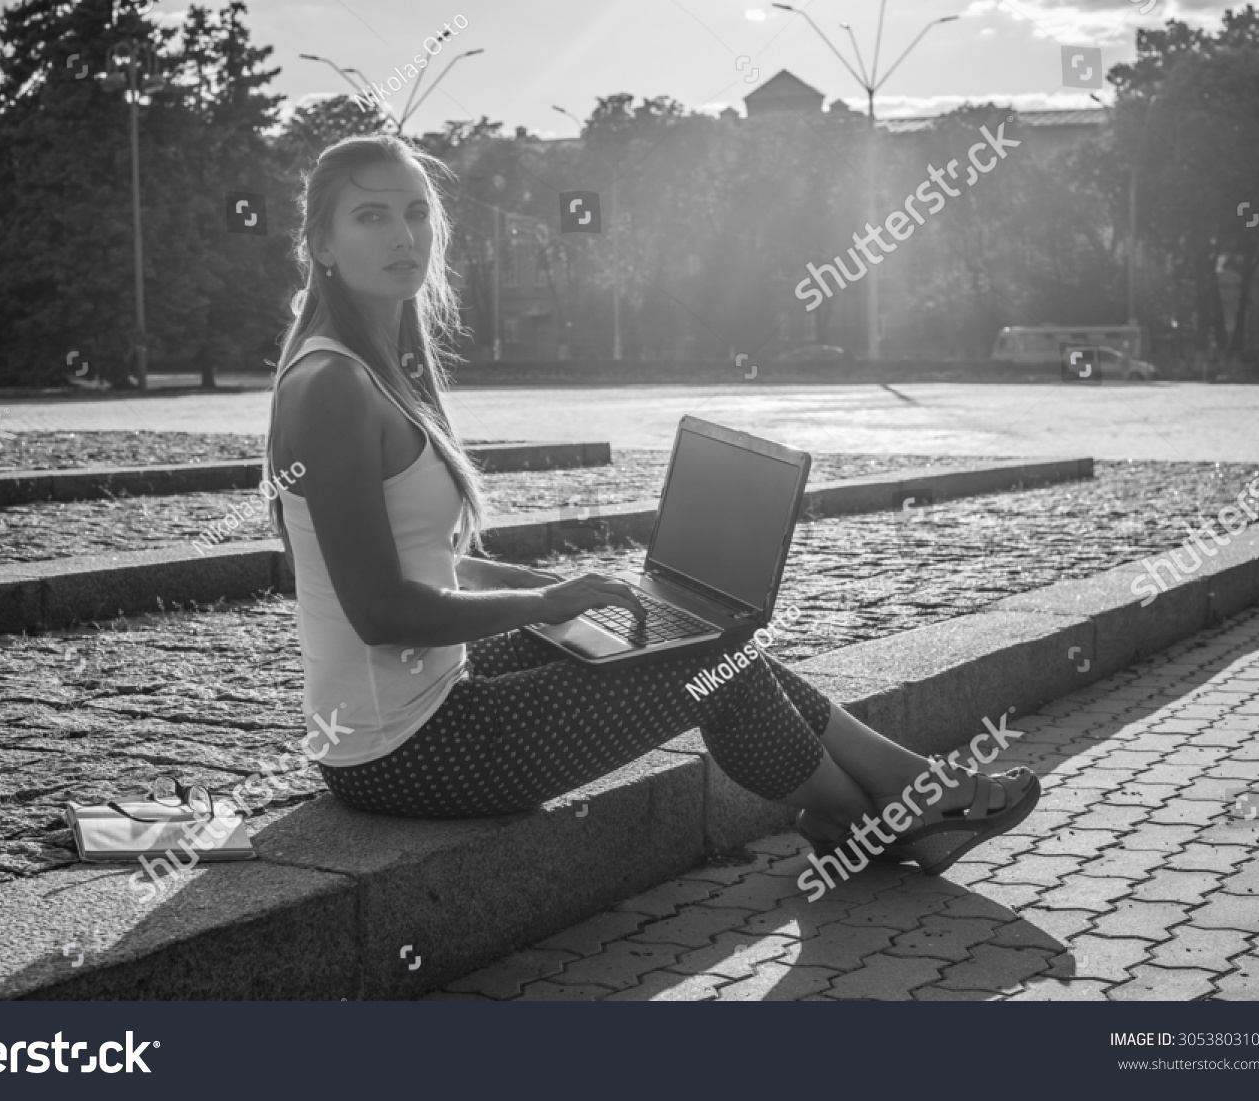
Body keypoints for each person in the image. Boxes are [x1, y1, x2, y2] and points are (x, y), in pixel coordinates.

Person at [262, 134, 1040, 878]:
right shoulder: (331, 386)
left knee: (701, 635)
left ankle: (897, 795)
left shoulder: (380, 369)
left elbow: (418, 555)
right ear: (322, 246)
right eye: (371, 216)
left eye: (417, 211)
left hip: (425, 703)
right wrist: (545, 599)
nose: (405, 234)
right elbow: (379, 609)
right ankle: (878, 819)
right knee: (707, 659)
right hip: (402, 752)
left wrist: (560, 597)